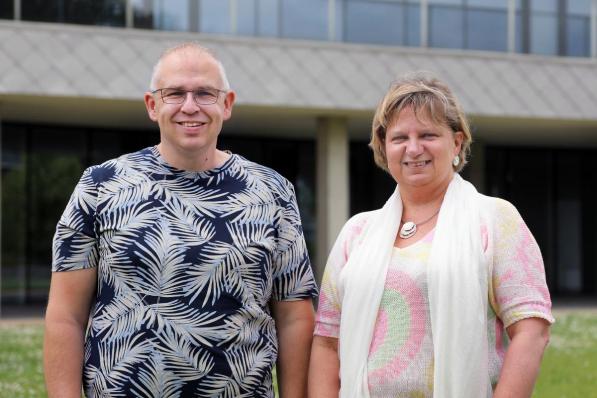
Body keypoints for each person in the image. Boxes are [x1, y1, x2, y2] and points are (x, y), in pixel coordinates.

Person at [44, 42, 318, 398]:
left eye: (205, 93)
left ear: (227, 103)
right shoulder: (100, 185)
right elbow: (66, 315)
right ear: (152, 105)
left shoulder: (273, 191)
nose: (190, 106)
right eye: (175, 93)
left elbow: (294, 316)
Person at [309, 74, 553, 398]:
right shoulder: (357, 232)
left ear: (456, 141)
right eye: (399, 138)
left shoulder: (494, 219)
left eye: (427, 134)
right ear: (384, 147)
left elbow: (531, 330)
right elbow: (327, 341)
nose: (413, 148)